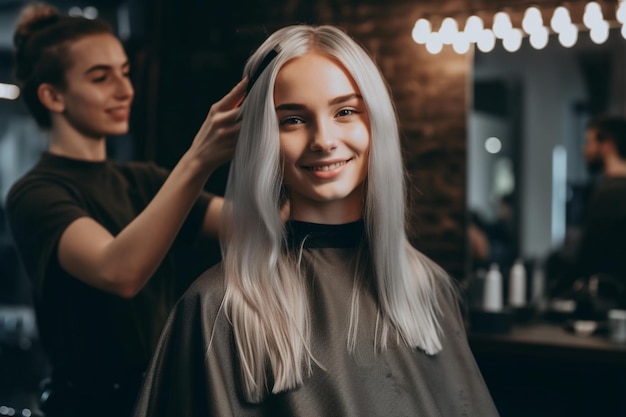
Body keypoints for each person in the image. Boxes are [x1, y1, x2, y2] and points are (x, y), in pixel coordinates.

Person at [133, 24, 499, 417]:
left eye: (345, 111)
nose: (323, 139)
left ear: (376, 124)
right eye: (292, 120)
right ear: (263, 139)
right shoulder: (218, 308)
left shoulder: (430, 289)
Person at [5, 4, 246, 417]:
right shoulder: (36, 193)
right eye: (101, 77)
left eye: (124, 71)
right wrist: (198, 159)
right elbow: (118, 271)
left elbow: (247, 224)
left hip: (160, 396)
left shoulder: (142, 181)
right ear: (52, 95)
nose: (124, 89)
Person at [571, 115, 626, 304]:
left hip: (608, 303)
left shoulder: (609, 195)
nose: (584, 149)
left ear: (608, 145)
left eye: (589, 142)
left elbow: (588, 260)